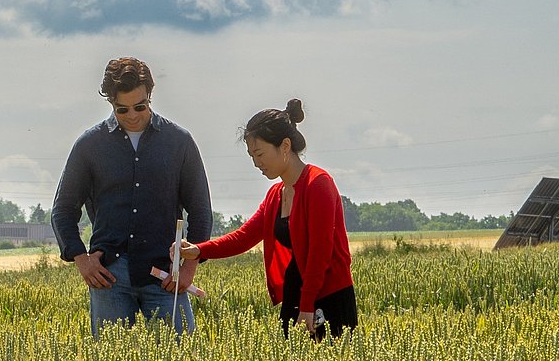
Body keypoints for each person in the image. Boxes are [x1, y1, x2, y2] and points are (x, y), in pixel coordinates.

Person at [52, 57, 211, 335]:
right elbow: (63, 210)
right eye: (121, 109)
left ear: (150, 95)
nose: (132, 115)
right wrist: (81, 259)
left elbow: (200, 211)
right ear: (110, 103)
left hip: (164, 273)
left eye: (140, 106)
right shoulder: (90, 145)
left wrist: (189, 268)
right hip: (109, 276)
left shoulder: (179, 141)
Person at [178, 100, 356, 339]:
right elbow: (244, 237)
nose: (256, 163)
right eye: (252, 155)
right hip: (298, 291)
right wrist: (199, 249)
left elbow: (320, 253)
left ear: (284, 146)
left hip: (328, 294)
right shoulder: (276, 195)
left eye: (260, 153)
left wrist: (307, 307)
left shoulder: (318, 184)